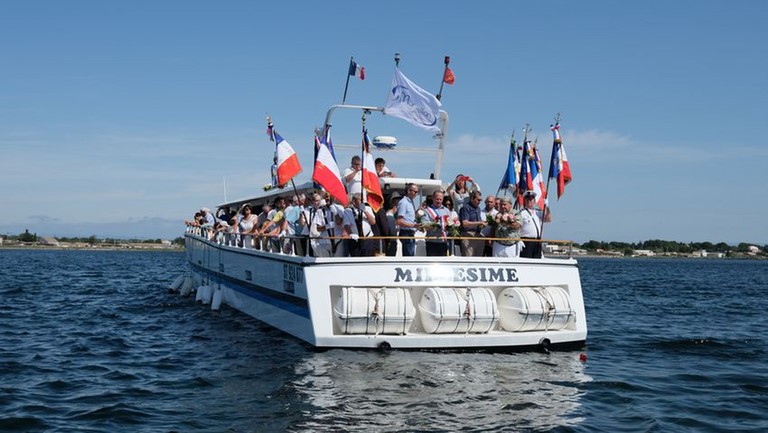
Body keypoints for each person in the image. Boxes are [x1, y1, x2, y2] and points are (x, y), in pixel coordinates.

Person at [517, 190, 551, 258]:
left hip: (537, 241)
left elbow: (548, 219)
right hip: (527, 241)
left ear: (534, 201)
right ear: (524, 200)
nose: (529, 201)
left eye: (531, 199)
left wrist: (546, 206)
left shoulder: (538, 212)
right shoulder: (521, 213)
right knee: (526, 261)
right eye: (527, 199)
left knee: (537, 261)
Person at [423, 190, 451, 256]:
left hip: (443, 241)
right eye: (437, 199)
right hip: (431, 241)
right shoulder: (426, 211)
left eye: (440, 199)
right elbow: (425, 225)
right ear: (433, 198)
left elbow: (450, 223)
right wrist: (436, 224)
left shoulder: (446, 211)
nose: (439, 201)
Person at [459, 190, 486, 257]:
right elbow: (465, 223)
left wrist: (482, 224)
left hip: (478, 234)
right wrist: (479, 222)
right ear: (472, 198)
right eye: (478, 200)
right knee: (469, 258)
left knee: (479, 258)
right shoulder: (465, 208)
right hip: (468, 235)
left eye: (480, 200)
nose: (479, 202)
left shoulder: (478, 208)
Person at [396, 184, 420, 256]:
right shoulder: (404, 202)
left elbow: (408, 218)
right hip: (406, 232)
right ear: (409, 191)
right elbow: (399, 221)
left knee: (411, 255)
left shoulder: (410, 202)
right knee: (409, 256)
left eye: (417, 192)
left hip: (410, 232)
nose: (416, 194)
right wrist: (414, 225)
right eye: (415, 192)